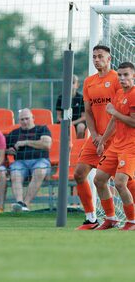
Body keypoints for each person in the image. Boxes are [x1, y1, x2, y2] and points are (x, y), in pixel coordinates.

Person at [73, 45, 121, 230]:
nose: (96, 59)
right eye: (94, 56)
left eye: (100, 56)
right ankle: (92, 219)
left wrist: (103, 139)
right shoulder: (88, 82)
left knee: (123, 181)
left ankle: (124, 217)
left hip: (116, 139)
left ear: (109, 59)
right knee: (79, 174)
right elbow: (88, 112)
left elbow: (118, 114)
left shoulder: (117, 79)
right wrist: (94, 135)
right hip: (96, 138)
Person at [94, 62, 135, 231]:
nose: (122, 78)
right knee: (99, 179)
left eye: (126, 75)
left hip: (131, 146)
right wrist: (103, 141)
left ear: (133, 76)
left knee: (120, 183)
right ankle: (111, 218)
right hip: (116, 145)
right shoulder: (118, 93)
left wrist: (115, 112)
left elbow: (133, 122)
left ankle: (132, 221)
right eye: (120, 75)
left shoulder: (134, 94)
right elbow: (113, 120)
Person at [6, 108, 52, 212]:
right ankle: (19, 202)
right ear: (19, 121)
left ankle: (25, 204)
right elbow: (2, 148)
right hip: (20, 162)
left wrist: (25, 142)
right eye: (22, 119)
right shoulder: (14, 133)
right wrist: (8, 151)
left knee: (39, 171)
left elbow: (46, 144)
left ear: (33, 118)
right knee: (15, 173)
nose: (25, 121)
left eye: (27, 119)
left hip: (40, 160)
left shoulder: (42, 129)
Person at [56, 74, 86, 138]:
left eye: (72, 82)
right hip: (64, 123)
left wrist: (72, 123)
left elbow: (84, 117)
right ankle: (63, 146)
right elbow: (58, 116)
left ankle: (77, 145)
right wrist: (64, 122)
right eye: (68, 82)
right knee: (57, 128)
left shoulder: (81, 98)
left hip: (77, 122)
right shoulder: (61, 98)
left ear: (77, 85)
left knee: (81, 127)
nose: (70, 85)